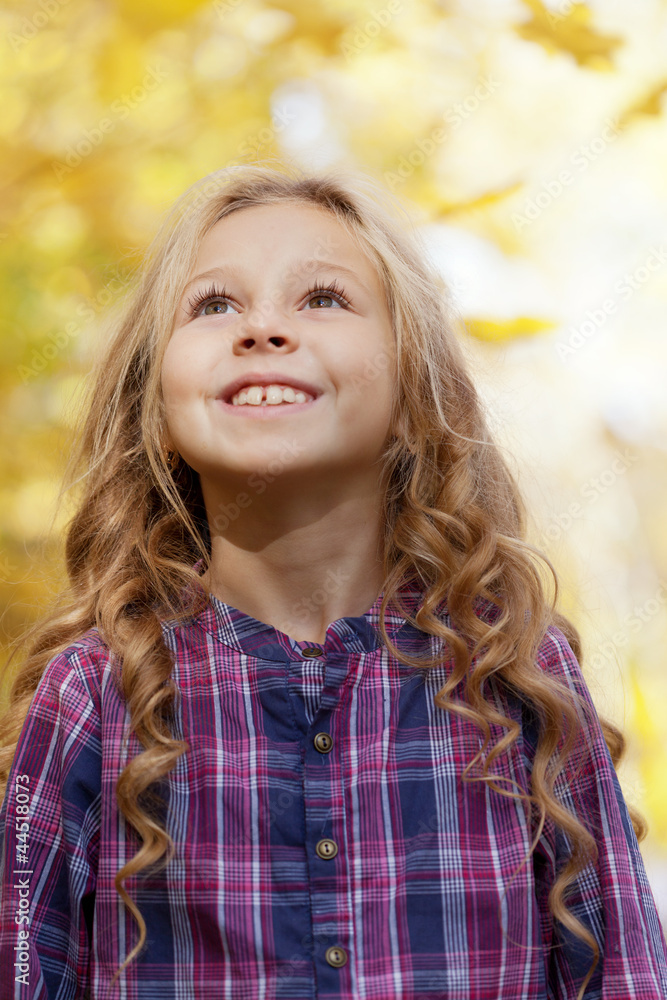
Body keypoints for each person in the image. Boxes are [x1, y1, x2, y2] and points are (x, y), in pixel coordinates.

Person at [0, 162, 666, 1000]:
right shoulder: (92, 695)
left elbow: (626, 975)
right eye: (214, 304)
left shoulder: (513, 676)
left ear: (411, 392)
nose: (262, 328)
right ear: (154, 408)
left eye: (321, 298)